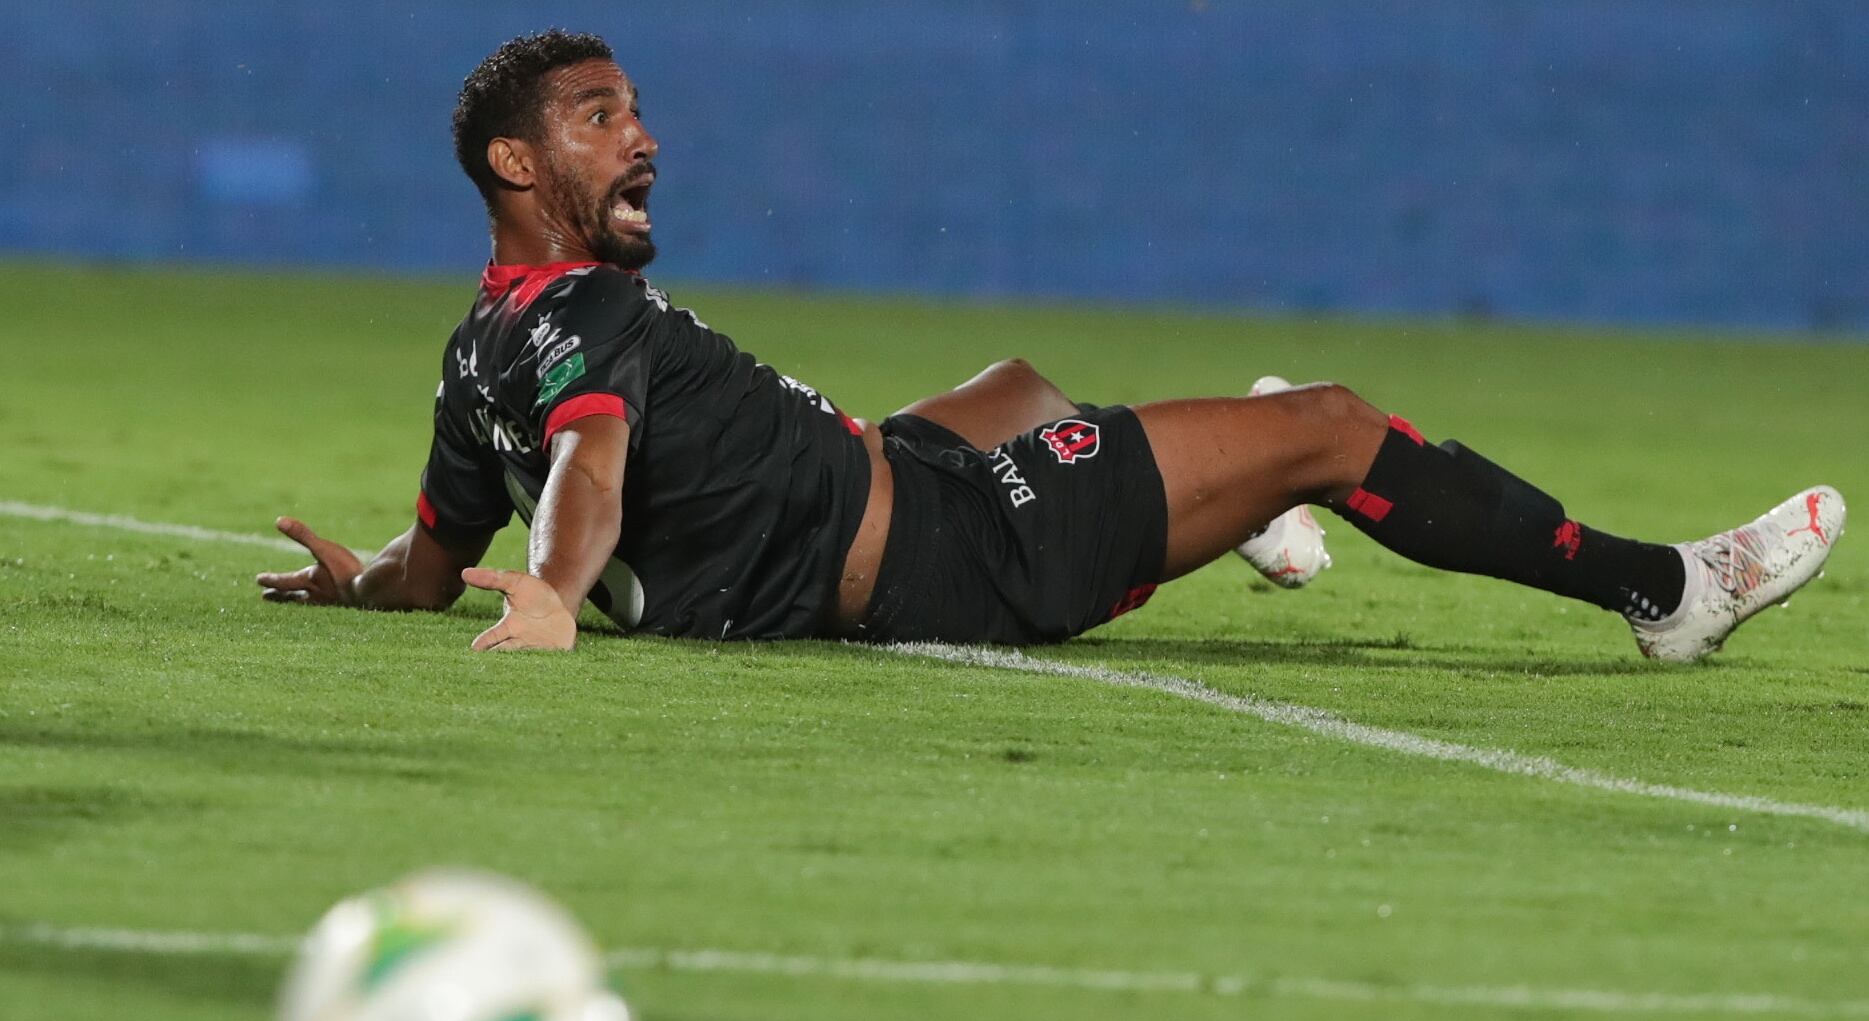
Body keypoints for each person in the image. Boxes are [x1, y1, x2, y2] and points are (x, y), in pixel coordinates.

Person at [257, 30, 1845, 662]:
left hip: (889, 474)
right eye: (600, 118)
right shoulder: (588, 324)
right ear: (517, 165)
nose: (644, 137)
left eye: (635, 109)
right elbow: (590, 466)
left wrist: (365, 584)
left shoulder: (481, 347)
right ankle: (1664, 590)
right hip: (962, 551)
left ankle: (1232, 504)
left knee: (1013, 385)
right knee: (1333, 422)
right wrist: (551, 589)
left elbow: (434, 554)